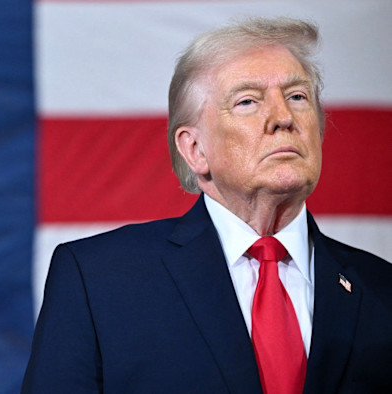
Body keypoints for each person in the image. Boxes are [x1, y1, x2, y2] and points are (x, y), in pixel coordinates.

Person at [22, 17, 392, 393]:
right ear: (195, 150)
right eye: (247, 101)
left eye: (297, 97)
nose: (284, 118)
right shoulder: (99, 280)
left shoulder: (382, 289)